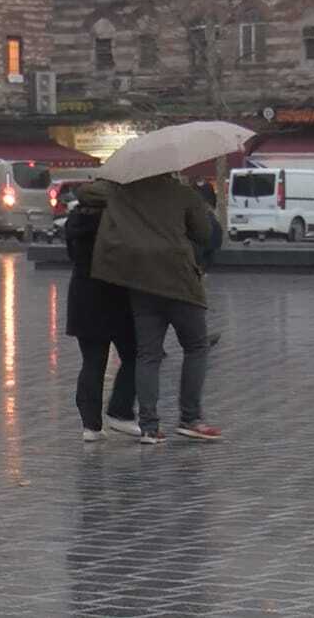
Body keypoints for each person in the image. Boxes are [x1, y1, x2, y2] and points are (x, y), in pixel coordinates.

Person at [91, 173, 224, 444]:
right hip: (180, 282)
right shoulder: (183, 194)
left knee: (148, 355)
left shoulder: (125, 196)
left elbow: (97, 207)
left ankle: (149, 427)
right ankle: (190, 418)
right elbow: (204, 232)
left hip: (141, 283)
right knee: (197, 347)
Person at [65, 182, 139, 442]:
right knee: (135, 355)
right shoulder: (113, 224)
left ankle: (90, 426)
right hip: (115, 297)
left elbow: (72, 256)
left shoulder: (74, 221)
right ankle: (120, 410)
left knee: (92, 362)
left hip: (82, 297)